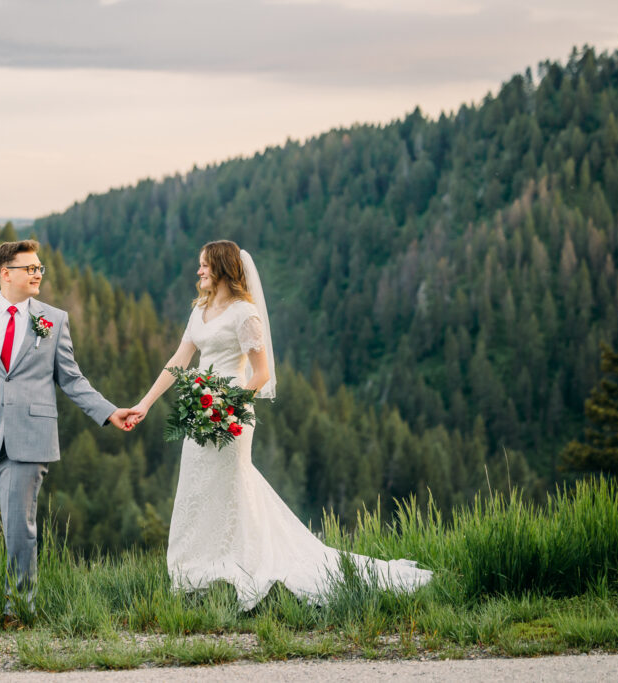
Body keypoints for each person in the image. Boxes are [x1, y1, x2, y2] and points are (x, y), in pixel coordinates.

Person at [127, 240, 431, 609]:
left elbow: (262, 374)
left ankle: (238, 565)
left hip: (233, 414)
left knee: (232, 488)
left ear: (223, 268)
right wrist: (143, 405)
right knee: (195, 488)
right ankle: (196, 573)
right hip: (198, 413)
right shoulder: (200, 312)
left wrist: (227, 402)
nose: (199, 271)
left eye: (205, 265)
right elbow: (178, 361)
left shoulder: (244, 314)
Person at [0, 239, 140, 622]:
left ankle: (18, 609)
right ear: (5, 273)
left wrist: (110, 411)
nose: (37, 275)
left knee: (18, 529)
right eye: (29, 268)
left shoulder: (53, 319)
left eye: (39, 269)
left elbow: (72, 378)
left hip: (29, 438)